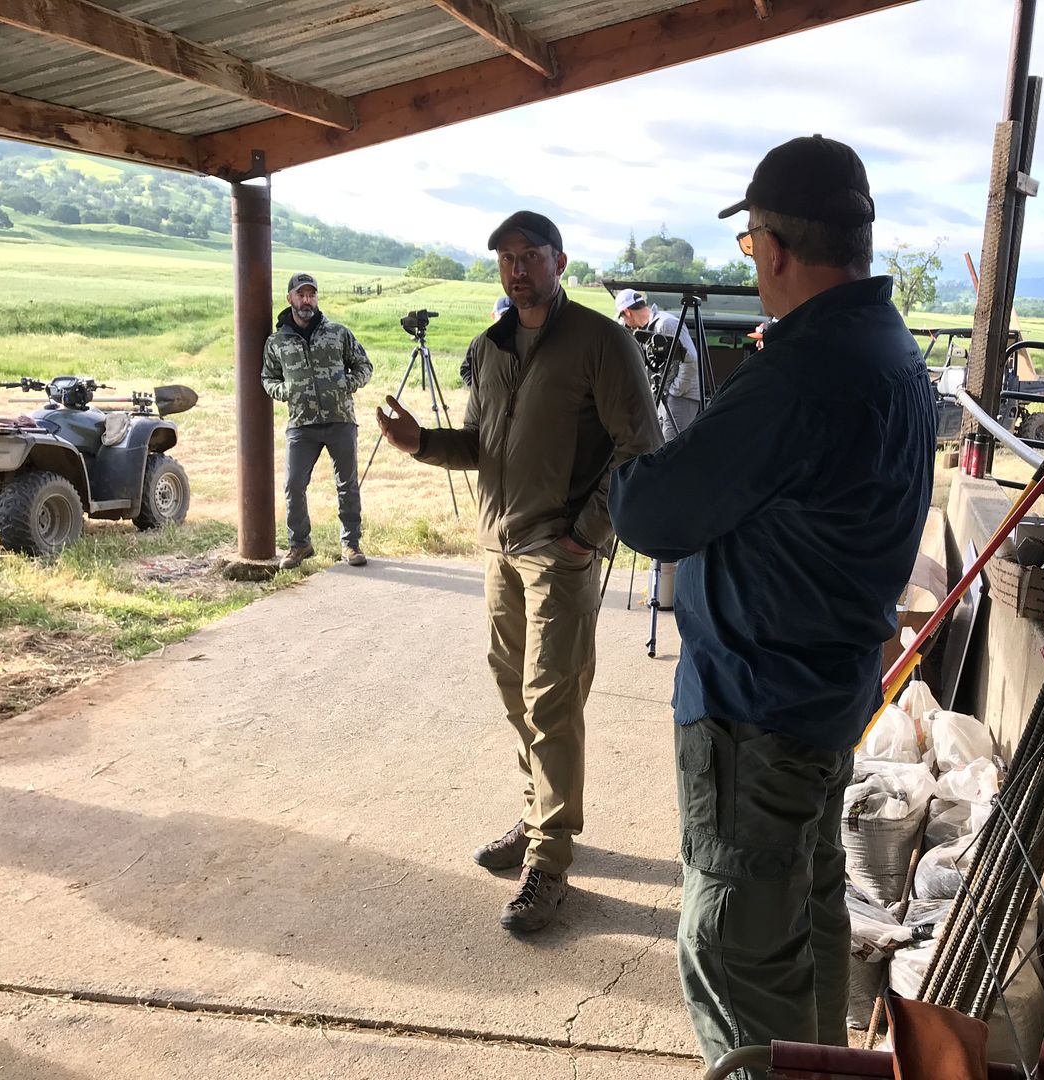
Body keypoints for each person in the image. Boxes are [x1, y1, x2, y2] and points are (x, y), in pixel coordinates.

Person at [608, 135, 935, 1075]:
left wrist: (632, 459)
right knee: (807, 918)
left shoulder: (802, 374)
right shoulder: (889, 349)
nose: (755, 265)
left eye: (751, 246)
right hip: (825, 698)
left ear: (778, 248)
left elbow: (657, 513)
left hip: (756, 710)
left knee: (736, 955)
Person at [375, 211, 660, 933]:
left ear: (558, 261)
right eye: (505, 258)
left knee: (550, 699)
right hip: (498, 548)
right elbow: (485, 444)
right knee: (513, 689)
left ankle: (551, 860)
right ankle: (537, 817)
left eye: (529, 255)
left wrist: (587, 535)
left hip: (557, 553)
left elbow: (641, 448)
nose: (517, 268)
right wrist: (420, 443)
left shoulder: (603, 341)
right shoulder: (491, 346)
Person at [261, 271, 373, 569]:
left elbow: (363, 365)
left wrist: (347, 384)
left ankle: (350, 544)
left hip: (340, 420)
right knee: (294, 485)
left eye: (311, 294)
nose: (307, 300)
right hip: (301, 424)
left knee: (347, 484)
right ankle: (300, 544)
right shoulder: (277, 342)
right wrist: (284, 390)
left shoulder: (337, 332)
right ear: (291, 298)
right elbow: (267, 378)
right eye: (301, 294)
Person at [616, 288, 703, 439]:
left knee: (670, 449)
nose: (625, 323)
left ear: (627, 312)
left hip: (680, 397)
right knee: (660, 447)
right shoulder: (647, 329)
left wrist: (675, 391)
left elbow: (691, 359)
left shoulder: (666, 324)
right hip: (664, 397)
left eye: (623, 317)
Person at [460, 297, 510, 388]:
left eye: (509, 315)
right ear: (493, 316)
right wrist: (478, 390)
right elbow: (465, 369)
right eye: (503, 314)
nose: (506, 319)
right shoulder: (480, 342)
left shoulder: (522, 342)